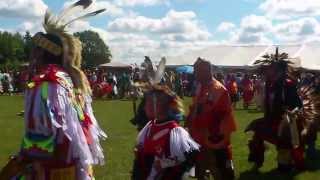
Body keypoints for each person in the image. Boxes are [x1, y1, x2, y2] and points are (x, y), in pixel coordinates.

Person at [0, 1, 106, 179]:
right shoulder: (71, 79)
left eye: (35, 50)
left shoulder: (45, 83)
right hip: (72, 164)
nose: (32, 55)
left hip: (49, 168)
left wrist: (24, 158)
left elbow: (41, 134)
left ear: (42, 53)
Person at [132, 58, 200, 180]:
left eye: (147, 103)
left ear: (158, 105)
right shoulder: (150, 126)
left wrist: (165, 163)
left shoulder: (174, 131)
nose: (144, 107)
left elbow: (190, 157)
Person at [246, 48, 308, 172]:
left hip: (287, 121)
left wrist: (291, 113)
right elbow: (266, 103)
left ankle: (287, 164)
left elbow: (299, 105)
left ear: (279, 70)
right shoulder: (269, 84)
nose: (268, 71)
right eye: (268, 68)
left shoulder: (288, 84)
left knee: (285, 146)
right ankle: (257, 158)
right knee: (256, 126)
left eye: (271, 68)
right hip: (271, 119)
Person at [187, 58, 237, 180]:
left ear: (207, 71)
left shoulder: (219, 90)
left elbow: (222, 115)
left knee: (219, 170)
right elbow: (196, 107)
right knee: (200, 169)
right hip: (199, 137)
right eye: (195, 71)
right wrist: (189, 120)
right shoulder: (200, 87)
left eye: (197, 71)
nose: (195, 74)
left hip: (215, 138)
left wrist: (200, 120)